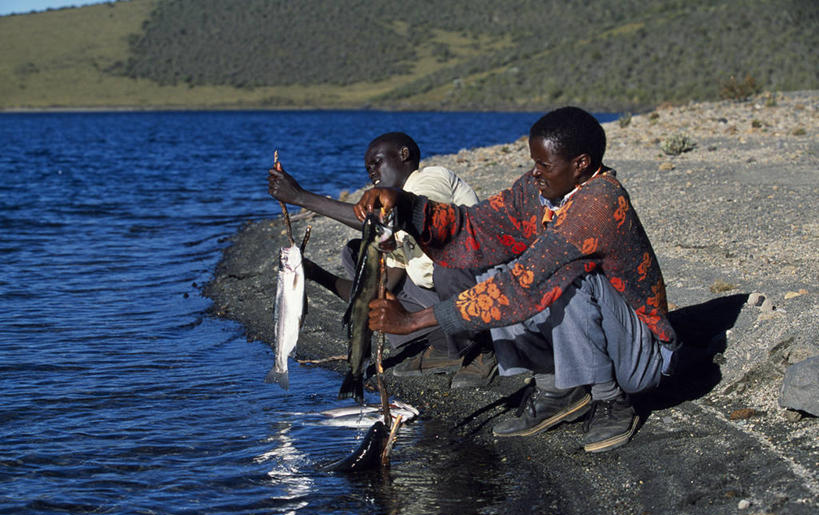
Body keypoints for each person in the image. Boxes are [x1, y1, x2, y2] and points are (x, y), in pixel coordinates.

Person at [355, 108, 680, 453]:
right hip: (602, 335)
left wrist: (413, 321)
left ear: (581, 164)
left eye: (545, 165)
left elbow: (520, 286)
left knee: (562, 275)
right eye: (534, 163)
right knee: (494, 263)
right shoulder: (539, 192)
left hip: (639, 357)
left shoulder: (598, 204)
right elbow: (476, 225)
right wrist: (404, 205)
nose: (535, 173)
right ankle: (557, 388)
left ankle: (610, 399)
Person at [267, 132, 497, 388]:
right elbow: (377, 289)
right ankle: (447, 347)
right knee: (358, 254)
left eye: (377, 162)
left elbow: (382, 218)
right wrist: (314, 273)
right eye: (367, 168)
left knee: (448, 266)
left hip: (479, 291)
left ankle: (483, 350)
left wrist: (300, 197)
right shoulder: (401, 231)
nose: (372, 172)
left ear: (404, 155)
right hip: (444, 296)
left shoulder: (428, 178)